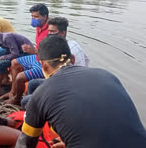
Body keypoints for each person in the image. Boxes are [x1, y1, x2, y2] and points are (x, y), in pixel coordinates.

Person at [16, 35, 146, 148]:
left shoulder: (41, 93)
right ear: (72, 58)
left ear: (43, 65)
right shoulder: (106, 75)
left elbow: (25, 144)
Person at [21, 17, 90, 108]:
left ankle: (33, 112)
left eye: (52, 32)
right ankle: (34, 108)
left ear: (62, 33)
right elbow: (87, 60)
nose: (49, 34)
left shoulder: (62, 52)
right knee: (32, 83)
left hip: (68, 86)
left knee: (25, 101)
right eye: (49, 31)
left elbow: (58, 79)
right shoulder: (73, 43)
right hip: (68, 80)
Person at [3, 3, 49, 104]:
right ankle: (13, 92)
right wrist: (33, 51)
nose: (33, 19)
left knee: (20, 77)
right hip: (37, 57)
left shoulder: (51, 30)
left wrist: (35, 51)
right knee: (14, 62)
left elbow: (52, 53)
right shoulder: (39, 27)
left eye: (36, 16)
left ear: (44, 17)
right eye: (32, 16)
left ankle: (17, 99)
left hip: (45, 64)